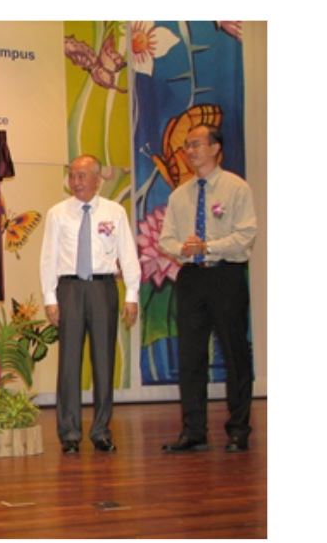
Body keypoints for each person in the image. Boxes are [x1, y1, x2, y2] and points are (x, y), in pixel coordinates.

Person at [159, 124, 257, 453]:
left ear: (216, 148)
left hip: (225, 275)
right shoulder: (179, 195)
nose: (190, 151)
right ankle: (194, 430)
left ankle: (238, 429)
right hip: (191, 278)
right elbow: (166, 240)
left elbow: (246, 234)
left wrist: (209, 247)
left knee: (234, 353)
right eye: (187, 146)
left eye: (197, 144)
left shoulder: (236, 188)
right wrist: (183, 249)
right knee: (190, 357)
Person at [39, 154, 140, 454]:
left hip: (102, 287)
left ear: (98, 179)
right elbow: (48, 258)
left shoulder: (115, 212)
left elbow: (128, 254)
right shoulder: (57, 213)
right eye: (72, 175)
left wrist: (132, 295)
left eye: (82, 176)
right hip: (69, 288)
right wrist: (50, 298)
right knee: (69, 362)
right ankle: (69, 433)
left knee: (104, 360)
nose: (76, 181)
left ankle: (101, 431)